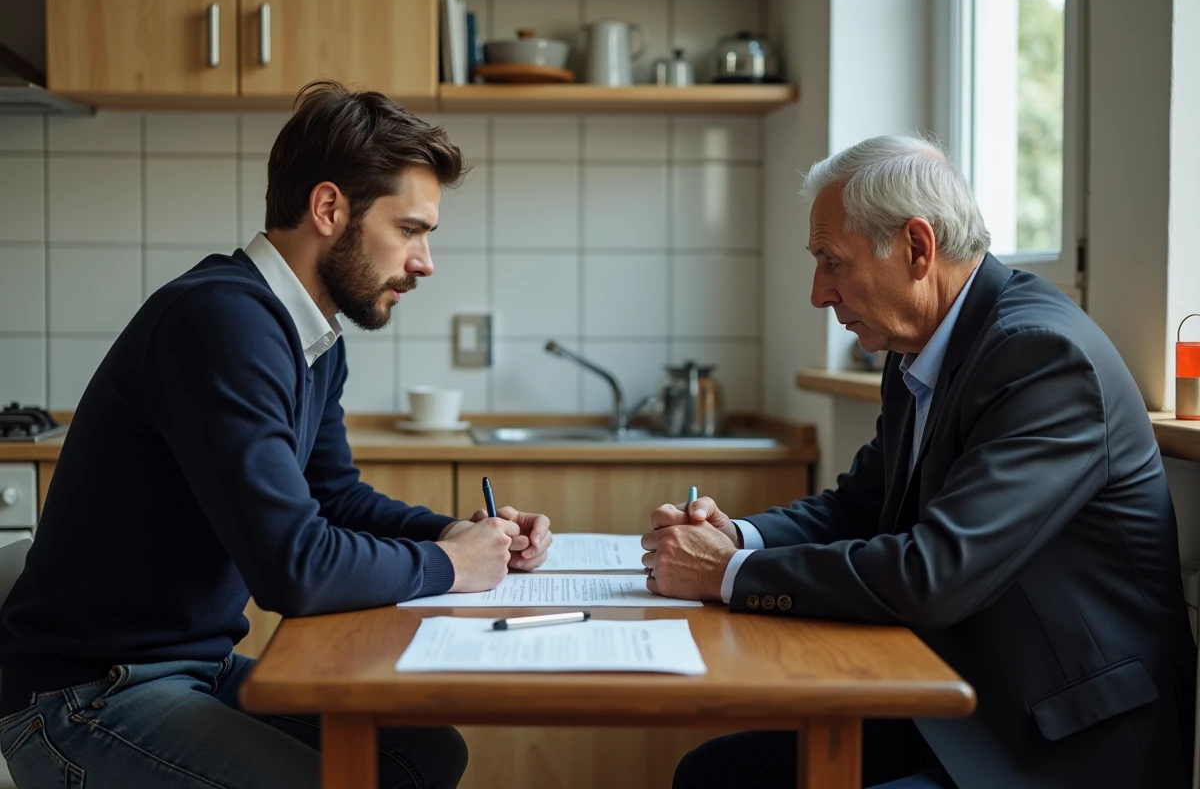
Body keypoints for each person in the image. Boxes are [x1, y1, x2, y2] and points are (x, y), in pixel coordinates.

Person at [0, 80, 554, 789]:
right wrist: (453, 567)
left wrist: (462, 534)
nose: (424, 262)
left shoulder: (310, 337)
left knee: (424, 753)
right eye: (410, 229)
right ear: (329, 208)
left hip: (188, 667)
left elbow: (332, 500)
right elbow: (294, 569)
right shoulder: (223, 323)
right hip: (86, 698)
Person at [645, 135, 1196, 789]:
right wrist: (738, 536)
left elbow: (935, 573)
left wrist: (728, 573)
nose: (820, 292)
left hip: (1065, 740)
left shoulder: (1044, 357)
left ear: (916, 247)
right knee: (713, 775)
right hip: (963, 699)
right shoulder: (922, 350)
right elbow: (858, 506)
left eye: (832, 261)